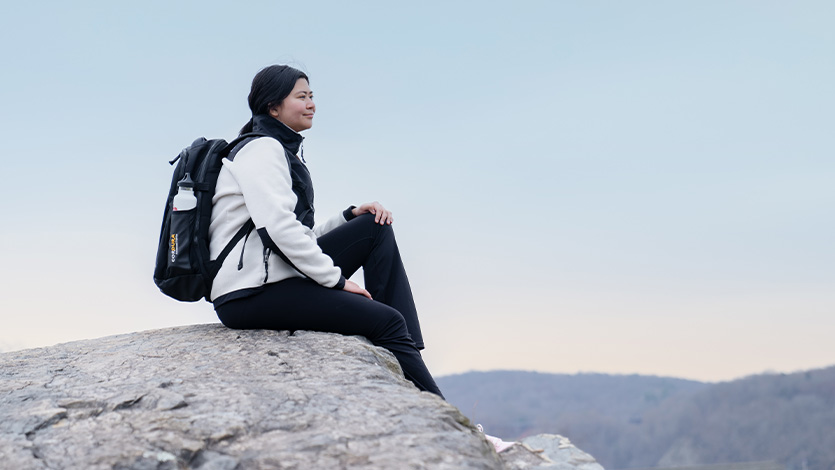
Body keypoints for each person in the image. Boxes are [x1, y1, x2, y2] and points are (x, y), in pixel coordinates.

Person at [208, 64, 443, 398]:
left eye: (311, 96)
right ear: (273, 107)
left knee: (373, 227)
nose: (311, 104)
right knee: (386, 321)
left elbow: (294, 235)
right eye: (301, 97)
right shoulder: (262, 150)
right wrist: (336, 281)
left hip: (271, 278)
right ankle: (436, 409)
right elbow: (276, 231)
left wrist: (347, 218)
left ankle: (406, 349)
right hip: (251, 294)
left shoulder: (278, 149)